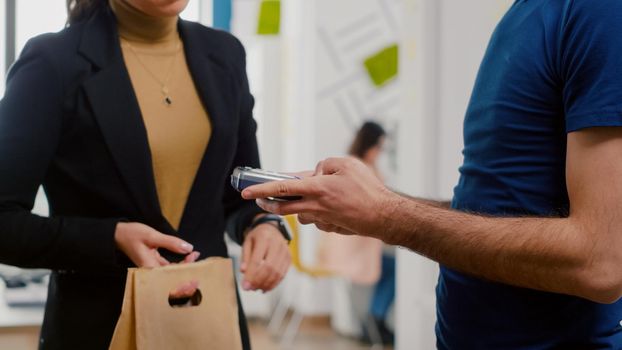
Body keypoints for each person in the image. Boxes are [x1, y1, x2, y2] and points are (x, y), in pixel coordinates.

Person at [242, 1, 622, 348]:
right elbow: (493, 205)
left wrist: (389, 215)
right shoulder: (527, 15)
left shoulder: (597, 11)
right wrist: (375, 204)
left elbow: (600, 262)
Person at [0, 0, 291, 349]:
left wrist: (264, 225)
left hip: (208, 324)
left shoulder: (225, 54)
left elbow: (239, 192)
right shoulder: (51, 63)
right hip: (100, 329)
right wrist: (110, 238)